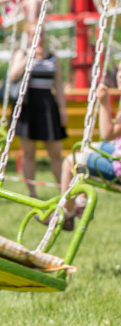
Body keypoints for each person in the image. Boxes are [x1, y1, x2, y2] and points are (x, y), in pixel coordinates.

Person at [49, 80, 121, 231]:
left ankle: (66, 214)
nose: (119, 75)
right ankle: (80, 202)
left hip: (118, 168)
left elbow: (107, 134)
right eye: (119, 69)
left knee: (71, 161)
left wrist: (104, 103)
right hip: (117, 150)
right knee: (88, 148)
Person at [9, 22, 67, 199]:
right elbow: (13, 75)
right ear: (28, 36)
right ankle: (32, 192)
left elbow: (58, 84)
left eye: (41, 35)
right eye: (35, 35)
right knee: (28, 152)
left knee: (56, 151)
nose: (39, 38)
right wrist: (29, 56)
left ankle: (62, 189)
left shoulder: (52, 57)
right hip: (27, 105)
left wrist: (63, 109)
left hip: (47, 105)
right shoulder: (22, 53)